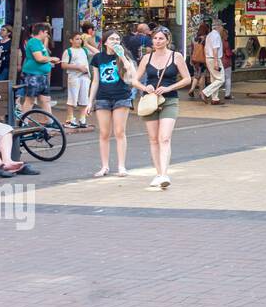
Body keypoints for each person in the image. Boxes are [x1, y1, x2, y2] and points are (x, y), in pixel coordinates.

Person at [131, 27, 191, 189]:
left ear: (167, 40)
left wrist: (169, 88)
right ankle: (158, 173)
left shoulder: (176, 56)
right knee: (153, 139)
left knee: (164, 137)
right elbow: (135, 80)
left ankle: (164, 174)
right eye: (155, 38)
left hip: (169, 100)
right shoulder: (146, 57)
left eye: (161, 39)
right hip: (150, 101)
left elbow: (187, 79)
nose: (157, 41)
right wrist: (145, 88)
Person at [88, 29, 137, 177]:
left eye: (117, 39)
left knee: (119, 132)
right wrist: (90, 102)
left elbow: (132, 74)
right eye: (112, 39)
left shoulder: (124, 56)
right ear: (105, 42)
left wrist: (122, 56)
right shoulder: (97, 58)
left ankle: (121, 166)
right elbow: (95, 80)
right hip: (103, 97)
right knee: (104, 133)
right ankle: (104, 166)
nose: (115, 41)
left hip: (121, 96)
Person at [18, 23, 58, 115]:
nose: (47, 35)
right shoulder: (34, 42)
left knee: (45, 99)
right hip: (33, 75)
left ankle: (50, 122)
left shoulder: (39, 42)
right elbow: (39, 58)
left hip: (41, 75)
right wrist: (52, 59)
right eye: (46, 32)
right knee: (30, 99)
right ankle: (24, 122)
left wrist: (49, 61)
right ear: (40, 32)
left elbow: (43, 57)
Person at [59, 32, 92, 129]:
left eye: (80, 39)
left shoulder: (84, 50)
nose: (79, 41)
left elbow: (96, 51)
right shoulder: (68, 51)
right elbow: (63, 65)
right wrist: (77, 67)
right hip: (74, 77)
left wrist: (87, 43)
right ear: (71, 40)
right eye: (77, 39)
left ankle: (82, 118)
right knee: (72, 98)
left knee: (84, 98)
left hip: (85, 77)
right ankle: (70, 119)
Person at [202, 21, 225, 104]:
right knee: (221, 79)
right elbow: (215, 49)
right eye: (222, 26)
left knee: (214, 79)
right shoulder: (216, 35)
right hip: (215, 58)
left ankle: (215, 99)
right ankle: (205, 92)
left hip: (209, 58)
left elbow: (205, 48)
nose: (223, 28)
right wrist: (216, 63)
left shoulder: (209, 35)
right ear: (218, 27)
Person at [219, 26, 234, 98]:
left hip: (219, 61)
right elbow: (228, 53)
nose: (228, 36)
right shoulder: (225, 42)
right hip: (226, 62)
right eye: (227, 34)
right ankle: (227, 94)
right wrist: (233, 52)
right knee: (228, 78)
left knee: (218, 79)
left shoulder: (218, 41)